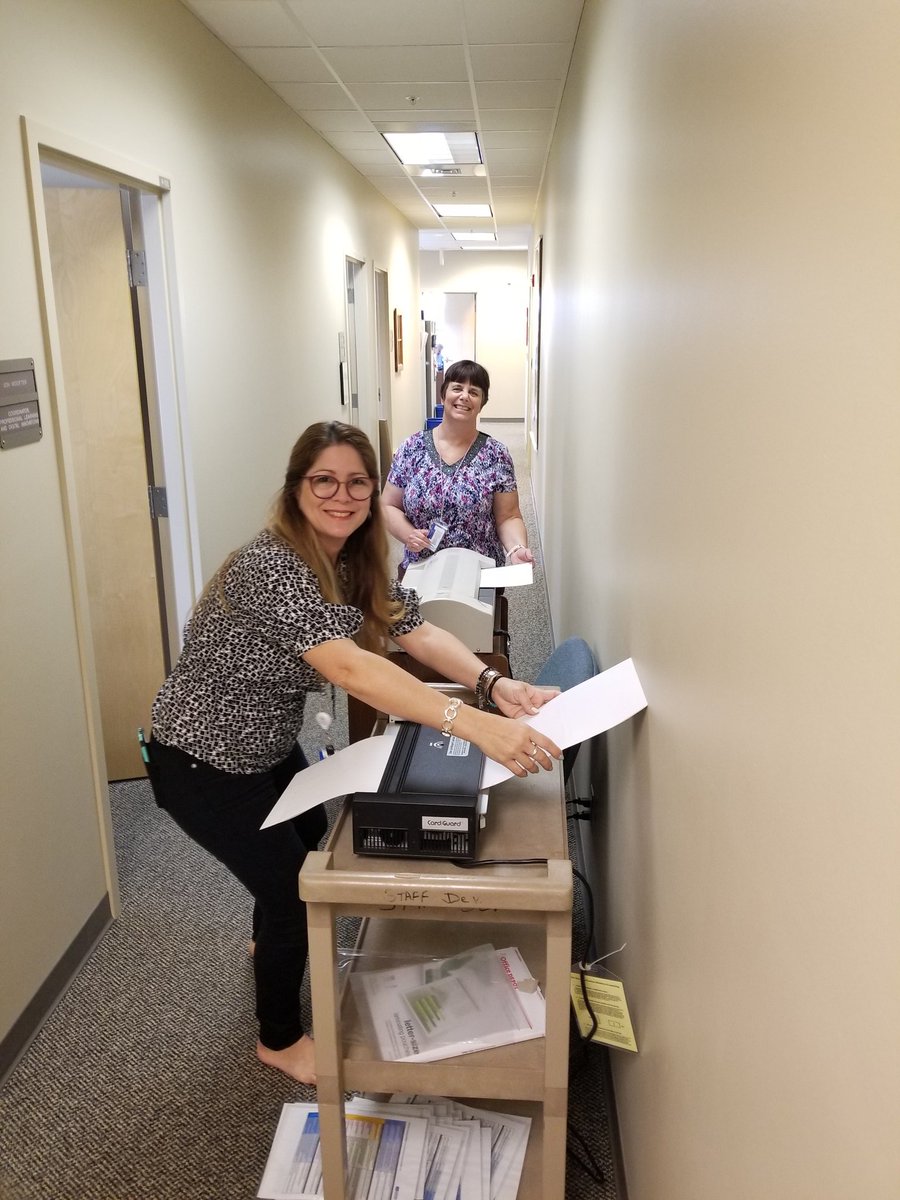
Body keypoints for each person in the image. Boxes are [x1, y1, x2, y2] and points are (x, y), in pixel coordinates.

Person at [145, 420, 560, 1086]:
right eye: (324, 481)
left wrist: (494, 682)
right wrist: (479, 727)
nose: (341, 496)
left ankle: (268, 947)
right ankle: (278, 1039)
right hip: (200, 762)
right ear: (296, 488)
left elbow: (413, 630)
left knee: (309, 845)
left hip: (266, 748)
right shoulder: (272, 566)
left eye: (356, 483)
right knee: (292, 891)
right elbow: (356, 672)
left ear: (374, 492)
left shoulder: (352, 557)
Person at [381, 359, 535, 572]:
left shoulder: (496, 455)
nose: (464, 396)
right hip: (420, 570)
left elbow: (508, 516)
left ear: (482, 403)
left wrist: (516, 548)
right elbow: (388, 506)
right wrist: (407, 534)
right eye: (457, 388)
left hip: (477, 574)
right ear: (443, 395)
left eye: (474, 392)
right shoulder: (411, 448)